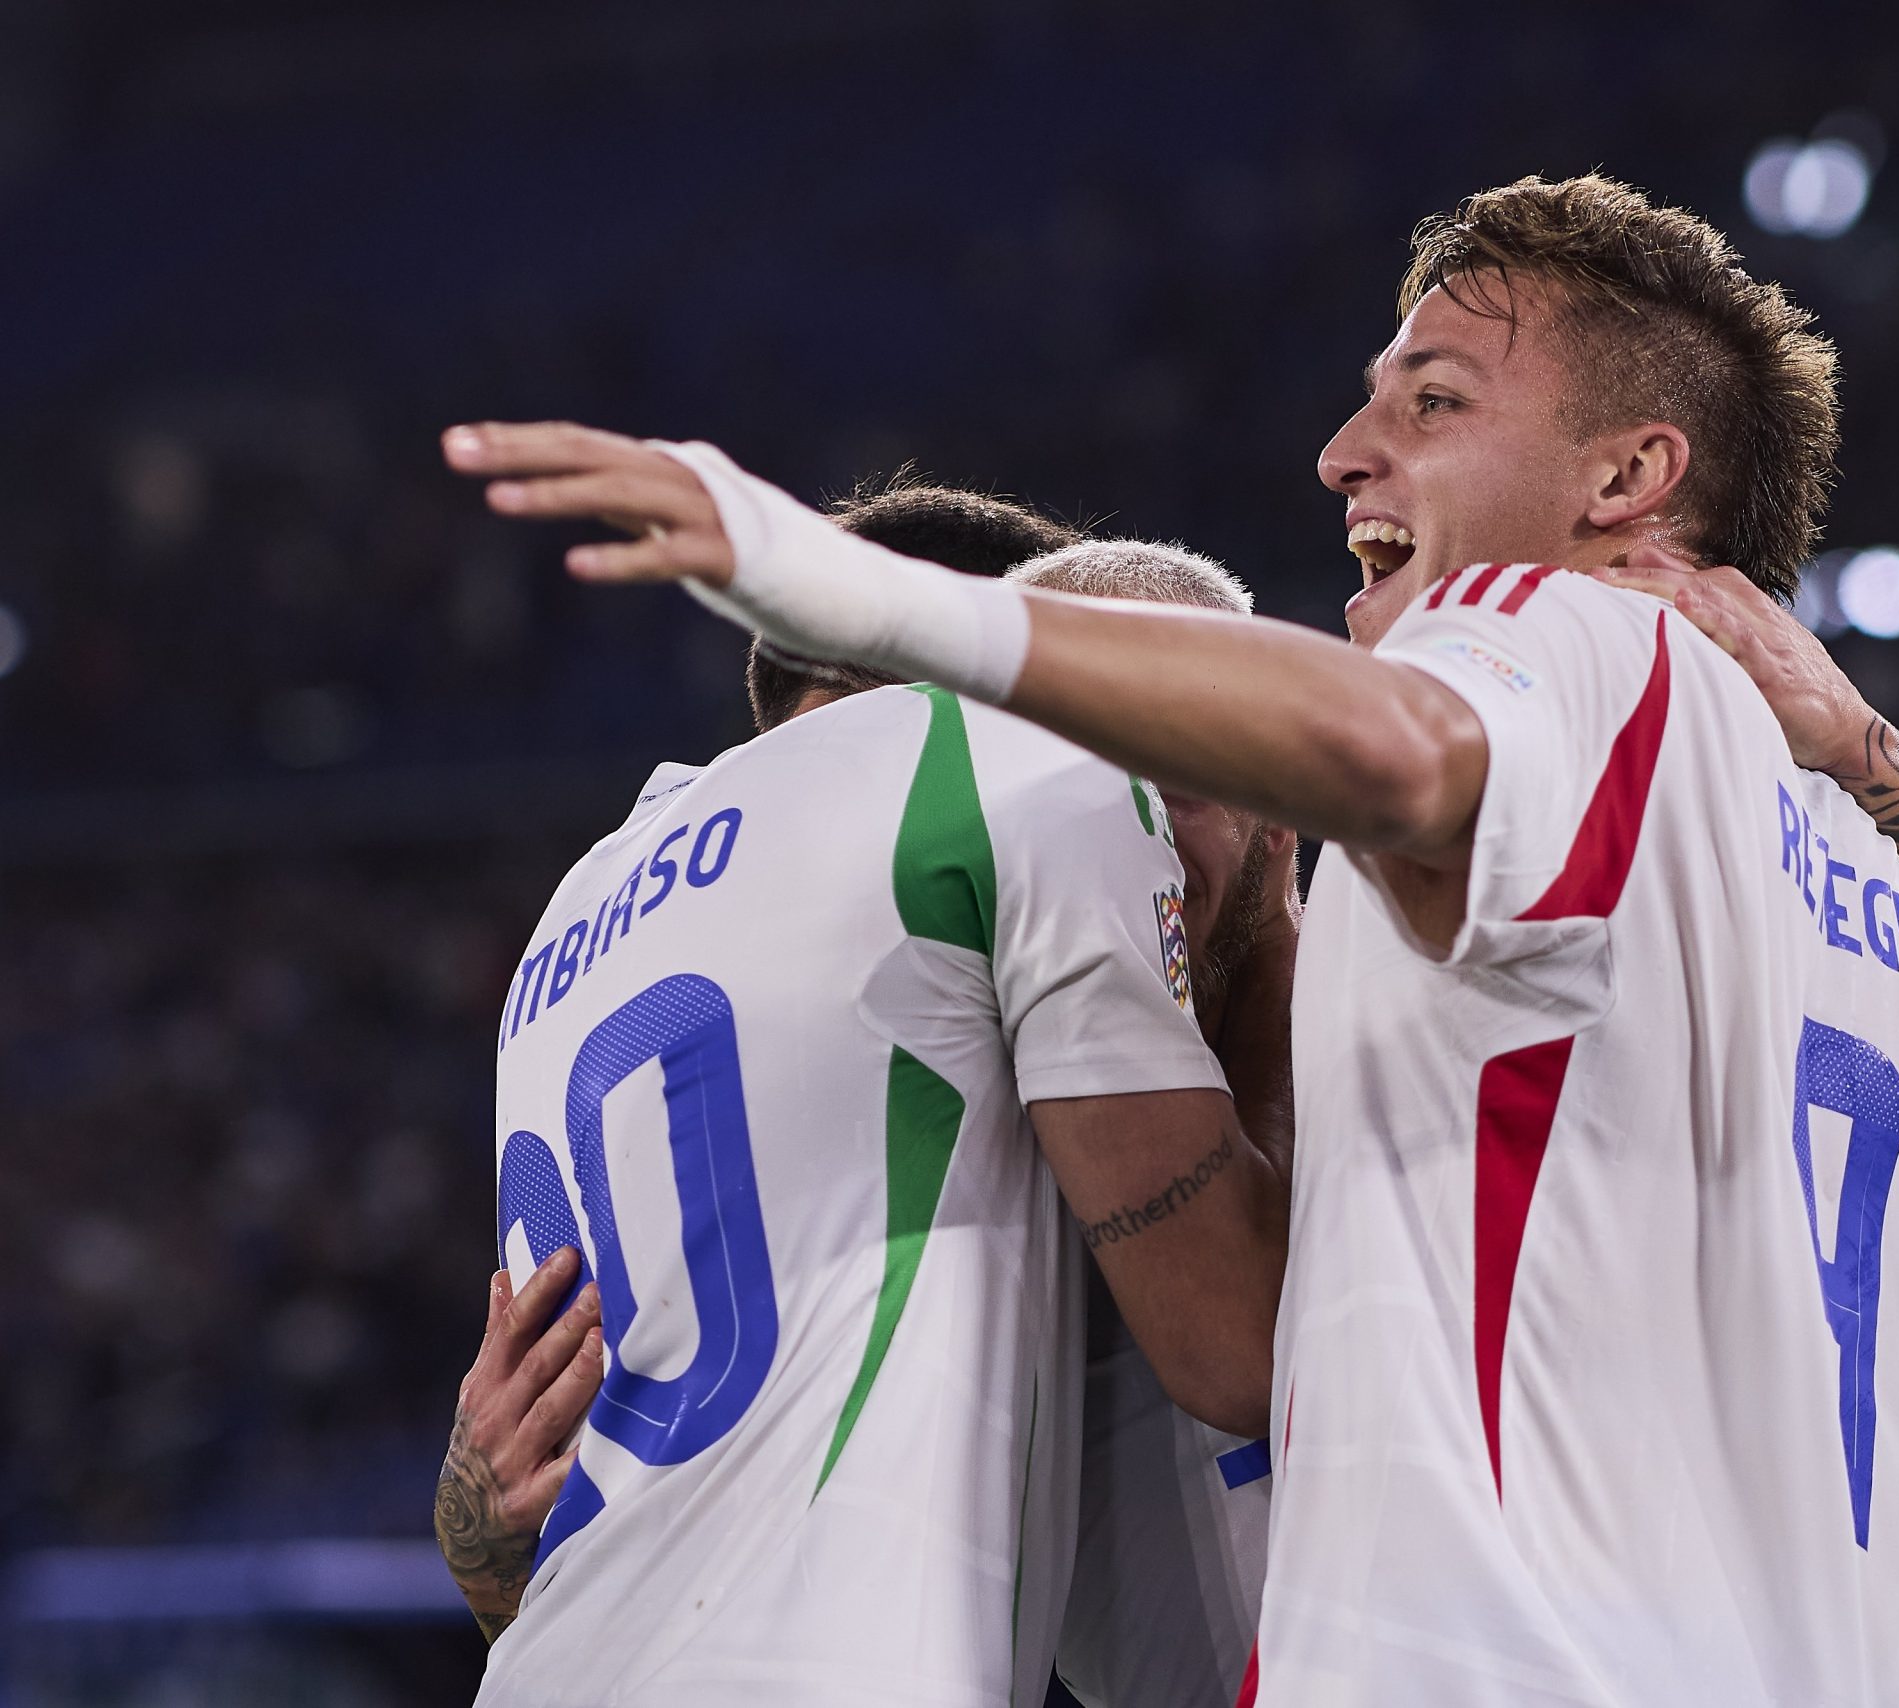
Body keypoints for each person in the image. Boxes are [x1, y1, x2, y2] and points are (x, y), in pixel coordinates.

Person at [444, 172, 1899, 1703]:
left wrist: (869, 600)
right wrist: (1866, 747)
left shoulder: (1553, 638)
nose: (1344, 455)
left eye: (1434, 403)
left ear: (1623, 483)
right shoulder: (1856, 892)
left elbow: (1398, 760)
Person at [446, 476, 1292, 1708]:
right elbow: (1240, 1346)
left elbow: (525, 1528)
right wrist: (1271, 890)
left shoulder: (574, 914)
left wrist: (472, 1529)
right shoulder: (1018, 771)